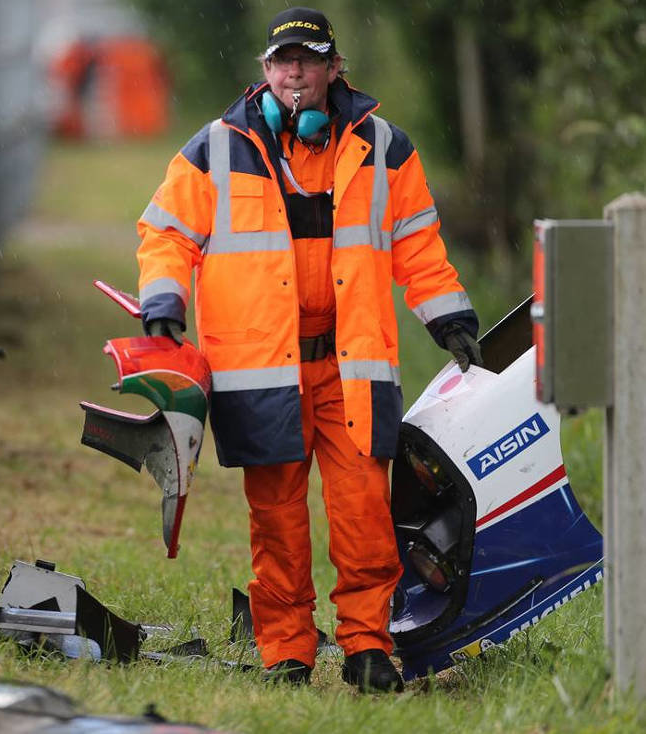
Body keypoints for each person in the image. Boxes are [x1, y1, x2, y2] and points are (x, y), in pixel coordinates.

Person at [135, 6, 482, 692]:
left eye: (309, 59)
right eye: (283, 60)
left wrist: (449, 318)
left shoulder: (385, 147)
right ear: (265, 71)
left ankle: (367, 648)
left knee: (363, 515)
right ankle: (287, 651)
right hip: (261, 367)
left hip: (352, 364)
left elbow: (417, 244)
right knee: (278, 520)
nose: (296, 71)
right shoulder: (215, 147)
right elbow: (166, 232)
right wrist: (164, 302)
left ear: (333, 68)